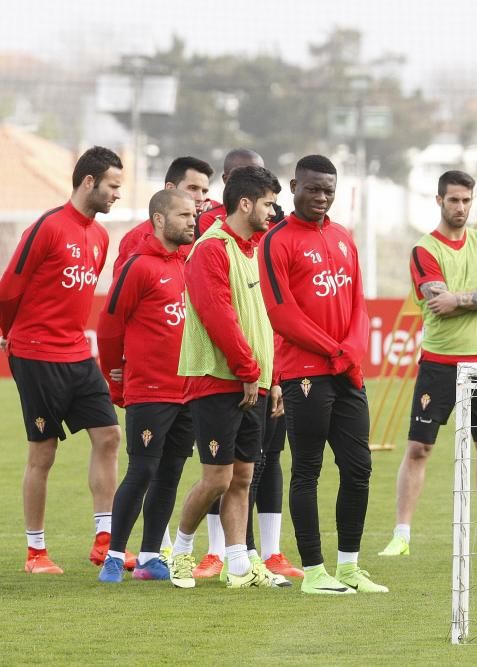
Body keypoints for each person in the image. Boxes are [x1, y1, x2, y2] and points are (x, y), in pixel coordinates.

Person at [379, 170, 477, 558]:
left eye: (466, 200)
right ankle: (401, 535)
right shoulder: (425, 249)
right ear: (439, 201)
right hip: (439, 364)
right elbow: (438, 303)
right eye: (453, 200)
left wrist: (459, 299)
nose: (460, 207)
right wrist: (469, 298)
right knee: (418, 449)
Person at [259, 154, 385, 594]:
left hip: (345, 372)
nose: (321, 197)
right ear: (294, 186)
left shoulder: (344, 238)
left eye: (328, 190)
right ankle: (314, 572)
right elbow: (281, 314)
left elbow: (359, 305)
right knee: (307, 469)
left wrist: (350, 352)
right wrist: (334, 350)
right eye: (312, 188)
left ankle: (349, 566)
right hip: (305, 373)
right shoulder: (277, 241)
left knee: (359, 468)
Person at [0, 146, 124, 575]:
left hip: (76, 352)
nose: (116, 195)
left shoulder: (100, 236)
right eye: (112, 185)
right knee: (43, 452)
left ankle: (105, 539)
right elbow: (9, 288)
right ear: (88, 181)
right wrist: (7, 334)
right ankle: (36, 553)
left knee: (108, 435)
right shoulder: (48, 227)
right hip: (35, 354)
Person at [168, 165, 287, 589]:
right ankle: (180, 551)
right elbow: (218, 315)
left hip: (252, 381)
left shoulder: (254, 249)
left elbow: (263, 322)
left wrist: (272, 378)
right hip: (218, 381)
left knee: (242, 477)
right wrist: (248, 369)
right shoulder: (211, 249)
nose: (274, 212)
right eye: (269, 204)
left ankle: (238, 563)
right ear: (245, 203)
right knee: (216, 478)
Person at [96, 189, 196, 582]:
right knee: (142, 471)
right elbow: (109, 327)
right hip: (151, 391)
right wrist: (114, 374)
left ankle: (152, 555)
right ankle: (115, 556)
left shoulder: (193, 263)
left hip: (188, 391)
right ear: (159, 219)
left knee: (170, 473)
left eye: (194, 214)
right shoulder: (138, 266)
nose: (193, 220)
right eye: (184, 214)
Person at [114, 156, 213, 275]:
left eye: (204, 191)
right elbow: (125, 289)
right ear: (170, 188)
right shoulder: (138, 236)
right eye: (193, 188)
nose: (200, 198)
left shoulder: (205, 232)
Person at [196, 148, 268, 239]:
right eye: (244, 176)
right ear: (226, 179)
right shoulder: (210, 219)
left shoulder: (272, 218)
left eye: (259, 175)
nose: (253, 182)